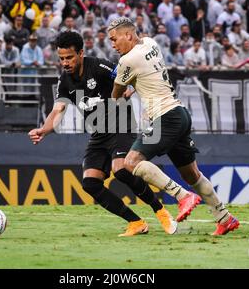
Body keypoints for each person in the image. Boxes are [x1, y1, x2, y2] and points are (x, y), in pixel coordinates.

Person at [28, 31, 178, 237]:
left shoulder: (99, 66)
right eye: (61, 58)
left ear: (80, 53)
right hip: (99, 132)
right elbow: (58, 109)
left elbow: (128, 73)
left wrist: (131, 89)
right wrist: (44, 129)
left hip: (120, 124)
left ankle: (160, 211)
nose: (65, 62)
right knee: (90, 183)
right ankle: (136, 222)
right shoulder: (65, 80)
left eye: (69, 57)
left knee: (121, 169)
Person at [108, 17, 239, 236]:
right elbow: (145, 76)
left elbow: (115, 94)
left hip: (165, 118)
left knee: (130, 162)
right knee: (192, 174)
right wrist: (132, 85)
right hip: (180, 114)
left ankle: (182, 196)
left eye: (114, 39)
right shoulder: (150, 43)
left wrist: (119, 82)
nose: (113, 44)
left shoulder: (127, 60)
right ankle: (224, 218)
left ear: (128, 35)